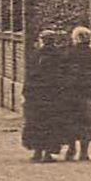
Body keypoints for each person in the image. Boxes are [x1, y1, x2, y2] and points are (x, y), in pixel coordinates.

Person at [22, 29, 70, 162]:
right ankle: (48, 153)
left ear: (42, 41)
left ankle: (37, 151)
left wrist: (26, 93)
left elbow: (30, 76)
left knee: (36, 122)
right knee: (52, 123)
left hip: (37, 96)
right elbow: (64, 76)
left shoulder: (36, 56)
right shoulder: (59, 56)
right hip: (54, 96)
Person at [62, 26, 91, 161]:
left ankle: (71, 148)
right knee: (87, 121)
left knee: (71, 121)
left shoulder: (69, 54)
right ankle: (84, 152)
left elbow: (61, 72)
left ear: (75, 39)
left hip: (72, 93)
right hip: (90, 92)